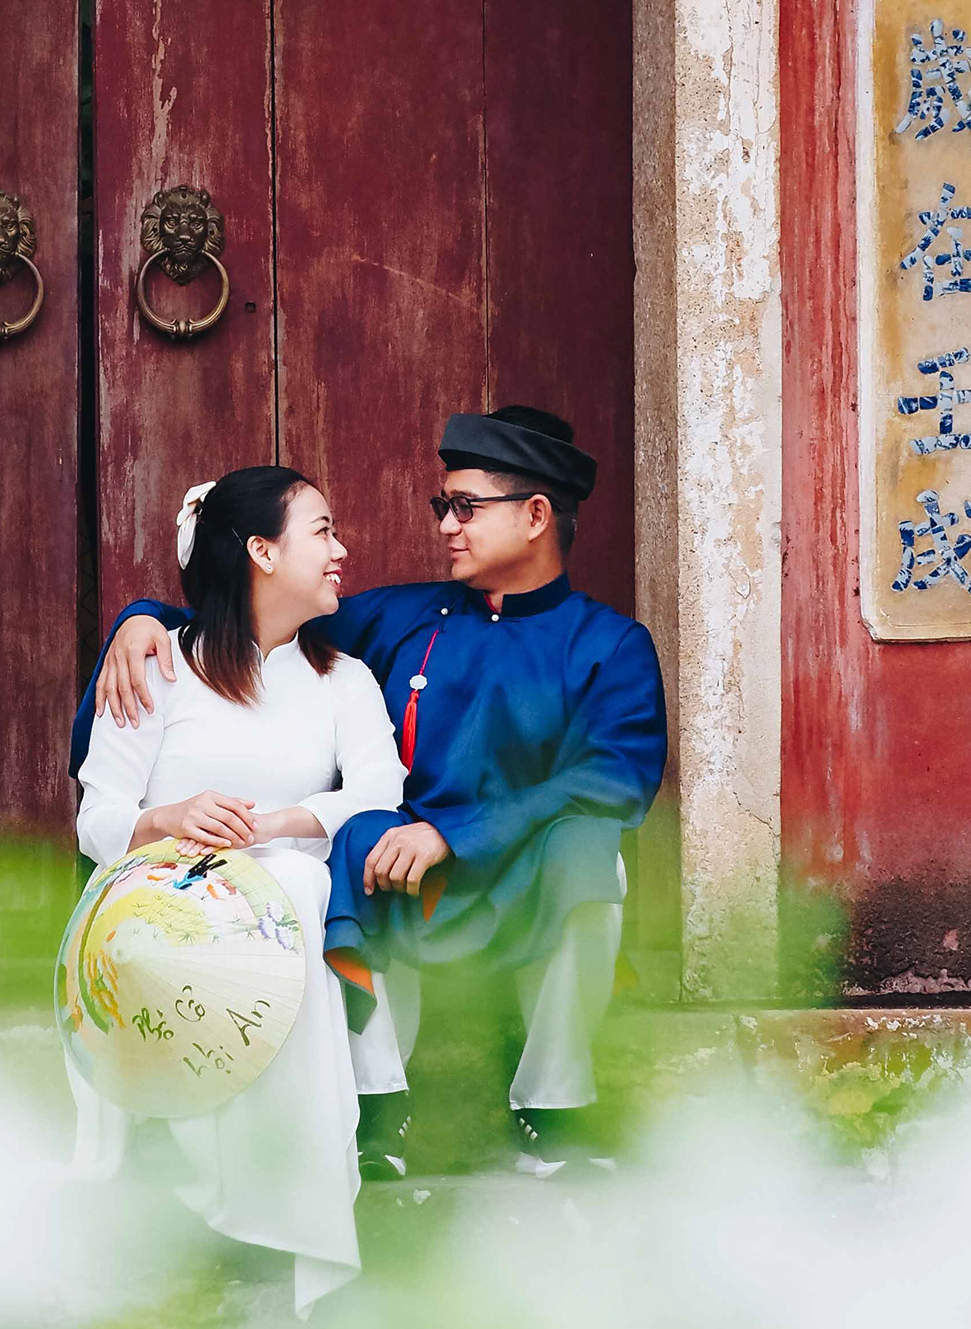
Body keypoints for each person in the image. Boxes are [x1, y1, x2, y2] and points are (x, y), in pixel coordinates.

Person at [76, 405, 667, 1175]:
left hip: (522, 864)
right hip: (401, 872)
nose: (446, 525)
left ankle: (553, 1107)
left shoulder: (610, 644)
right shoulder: (401, 616)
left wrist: (458, 833)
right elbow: (250, 615)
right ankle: (377, 1109)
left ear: (535, 516)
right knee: (354, 843)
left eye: (465, 507)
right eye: (441, 507)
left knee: (596, 852)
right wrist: (140, 618)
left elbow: (614, 778)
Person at [69, 466, 409, 1311]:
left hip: (279, 908)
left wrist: (278, 823)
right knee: (294, 890)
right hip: (153, 905)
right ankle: (283, 1187)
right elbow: (98, 816)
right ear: (261, 551)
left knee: (294, 880)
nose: (342, 550)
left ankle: (264, 1178)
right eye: (322, 531)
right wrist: (167, 819)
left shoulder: (344, 680)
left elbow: (380, 793)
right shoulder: (157, 667)